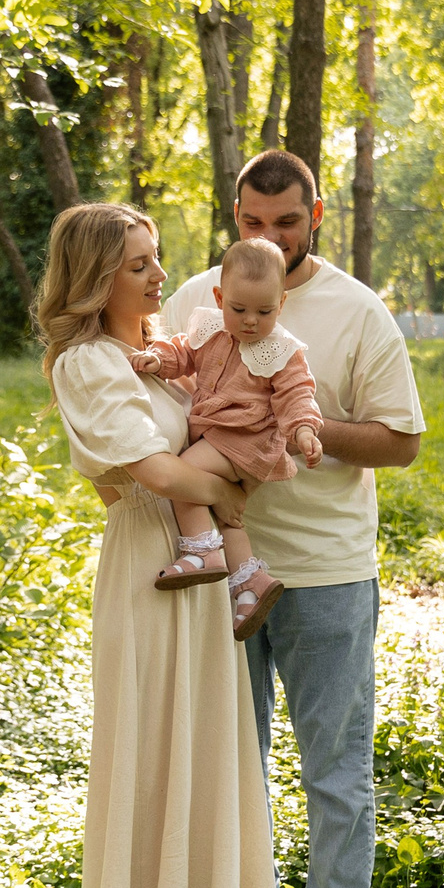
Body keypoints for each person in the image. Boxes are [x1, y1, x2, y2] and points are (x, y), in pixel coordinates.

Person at [162, 150, 425, 888]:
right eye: (250, 221)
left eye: (284, 222)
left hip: (327, 573)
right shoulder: (201, 300)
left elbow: (402, 441)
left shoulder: (357, 311)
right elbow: (159, 398)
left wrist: (293, 427)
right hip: (221, 574)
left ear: (316, 218)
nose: (266, 237)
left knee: (334, 764)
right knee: (232, 757)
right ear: (235, 217)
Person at [38, 201, 281, 888]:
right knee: (142, 759)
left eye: (156, 258)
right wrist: (224, 491)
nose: (157, 275)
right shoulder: (88, 363)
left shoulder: (155, 356)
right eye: (138, 263)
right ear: (96, 275)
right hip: (150, 564)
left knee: (187, 750)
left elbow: (211, 433)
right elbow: (150, 468)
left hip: (196, 565)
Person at [130, 236, 325, 639]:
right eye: (239, 309)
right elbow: (183, 352)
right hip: (220, 439)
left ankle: (201, 551)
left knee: (184, 475)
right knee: (225, 512)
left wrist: (304, 429)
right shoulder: (210, 329)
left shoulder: (281, 350)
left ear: (282, 304)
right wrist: (159, 359)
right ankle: (249, 584)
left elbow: (296, 393)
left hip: (246, 441)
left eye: (264, 311)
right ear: (220, 298)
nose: (251, 320)